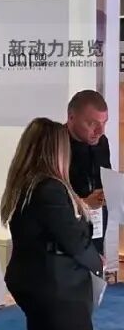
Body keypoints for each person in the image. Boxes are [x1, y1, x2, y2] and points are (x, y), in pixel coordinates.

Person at [2, 117, 103, 330]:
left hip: (36, 283)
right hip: (57, 289)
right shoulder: (50, 188)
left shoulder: (27, 185)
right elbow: (74, 241)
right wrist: (97, 263)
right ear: (55, 149)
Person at [65, 90, 111, 253]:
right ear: (71, 118)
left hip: (97, 228)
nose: (100, 131)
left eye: (104, 123)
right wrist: (84, 203)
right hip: (65, 235)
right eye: (92, 124)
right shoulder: (54, 145)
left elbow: (105, 179)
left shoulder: (102, 143)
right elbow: (44, 199)